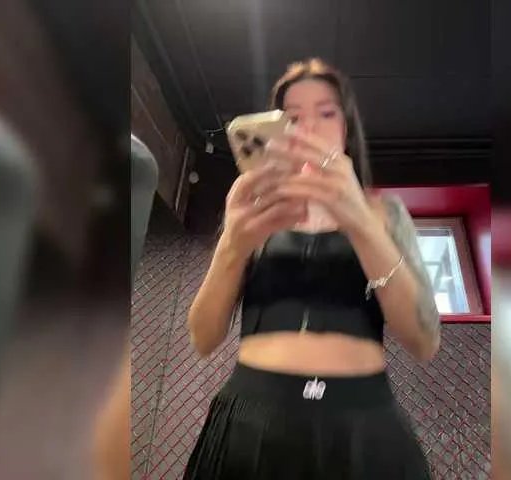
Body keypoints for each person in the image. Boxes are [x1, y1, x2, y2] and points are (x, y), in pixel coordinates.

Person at [184, 58, 440, 480]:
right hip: (250, 425)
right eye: (293, 117)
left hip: (364, 426)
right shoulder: (255, 209)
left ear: (346, 128)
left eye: (326, 113)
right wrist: (232, 244)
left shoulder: (385, 212)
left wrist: (359, 222)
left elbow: (425, 341)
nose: (308, 128)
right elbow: (202, 338)